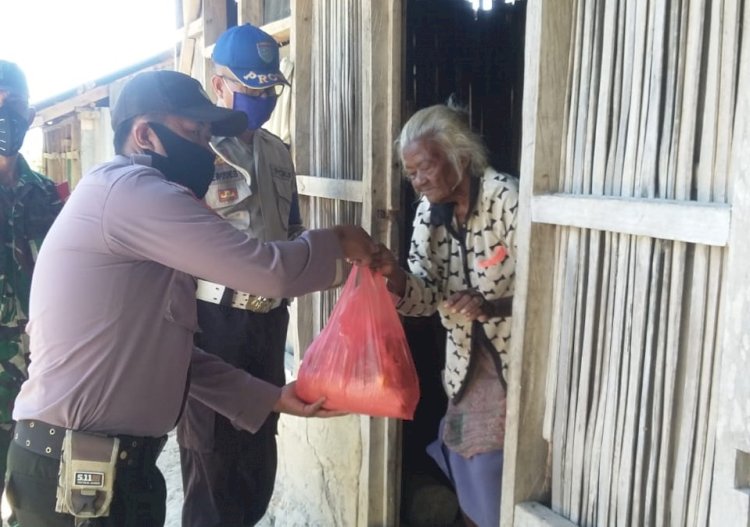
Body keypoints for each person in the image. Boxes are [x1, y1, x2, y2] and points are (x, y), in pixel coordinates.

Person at [5, 69, 377, 527]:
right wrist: (339, 242)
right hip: (74, 474)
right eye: (193, 133)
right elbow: (268, 272)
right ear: (144, 134)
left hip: (118, 470)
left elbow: (177, 354)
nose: (206, 149)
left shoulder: (138, 215)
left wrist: (271, 397)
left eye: (207, 136)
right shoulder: (131, 191)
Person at [176, 23, 303, 527]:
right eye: (249, 86)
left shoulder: (277, 152)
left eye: (268, 88)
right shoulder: (193, 154)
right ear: (219, 82)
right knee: (210, 463)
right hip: (212, 323)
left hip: (268, 325)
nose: (260, 97)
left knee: (256, 458)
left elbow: (292, 232)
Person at [374, 103, 518, 527]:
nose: (418, 181)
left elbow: (548, 284)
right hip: (465, 364)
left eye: (425, 168)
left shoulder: (504, 198)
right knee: (464, 455)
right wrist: (395, 278)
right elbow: (426, 292)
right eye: (411, 173)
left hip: (515, 361)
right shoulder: (427, 213)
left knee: (492, 461)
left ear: (461, 156)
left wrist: (493, 306)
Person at [0, 60, 63, 523]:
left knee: (38, 509)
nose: (5, 116)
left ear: (30, 114)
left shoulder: (51, 197)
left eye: (13, 105)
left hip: (42, 389)